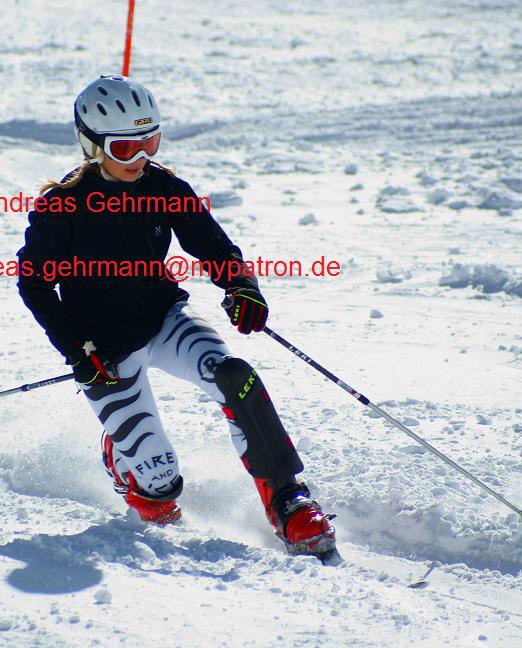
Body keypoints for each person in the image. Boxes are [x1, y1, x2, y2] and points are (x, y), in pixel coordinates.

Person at [17, 75, 336, 560]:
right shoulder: (62, 208)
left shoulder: (163, 186)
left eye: (150, 141)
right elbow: (34, 284)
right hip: (103, 349)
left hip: (163, 318)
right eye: (126, 149)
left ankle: (289, 502)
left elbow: (212, 244)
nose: (141, 158)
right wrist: (77, 348)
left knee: (235, 376)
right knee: (160, 495)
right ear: (92, 145)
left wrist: (241, 286)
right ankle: (128, 466)